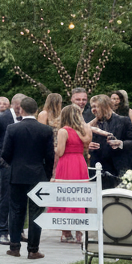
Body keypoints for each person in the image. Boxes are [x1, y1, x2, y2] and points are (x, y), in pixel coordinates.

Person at [1, 96, 56, 259]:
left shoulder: (12, 128)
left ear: (21, 110)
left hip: (17, 175)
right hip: (38, 175)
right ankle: (33, 249)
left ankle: (15, 247)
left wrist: (14, 165)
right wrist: (45, 174)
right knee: (36, 213)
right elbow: (50, 156)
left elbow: (5, 153)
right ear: (37, 110)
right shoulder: (45, 130)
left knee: (16, 211)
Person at [0, 92, 25, 245]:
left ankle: (19, 230)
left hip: (22, 164)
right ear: (14, 105)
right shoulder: (0, 118)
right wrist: (0, 159)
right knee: (5, 198)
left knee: (21, 199)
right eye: (20, 107)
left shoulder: (25, 119)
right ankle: (2, 232)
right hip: (5, 165)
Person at [51, 103, 92, 244]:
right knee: (79, 196)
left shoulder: (64, 131)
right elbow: (86, 146)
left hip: (67, 163)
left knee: (65, 195)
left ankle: (66, 233)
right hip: (80, 163)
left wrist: (53, 147)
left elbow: (60, 152)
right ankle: (80, 232)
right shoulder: (84, 130)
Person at [87, 94, 132, 189]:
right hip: (99, 167)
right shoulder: (92, 123)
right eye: (92, 107)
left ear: (104, 106)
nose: (93, 110)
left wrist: (121, 143)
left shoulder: (123, 121)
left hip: (118, 167)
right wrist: (88, 145)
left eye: (95, 107)